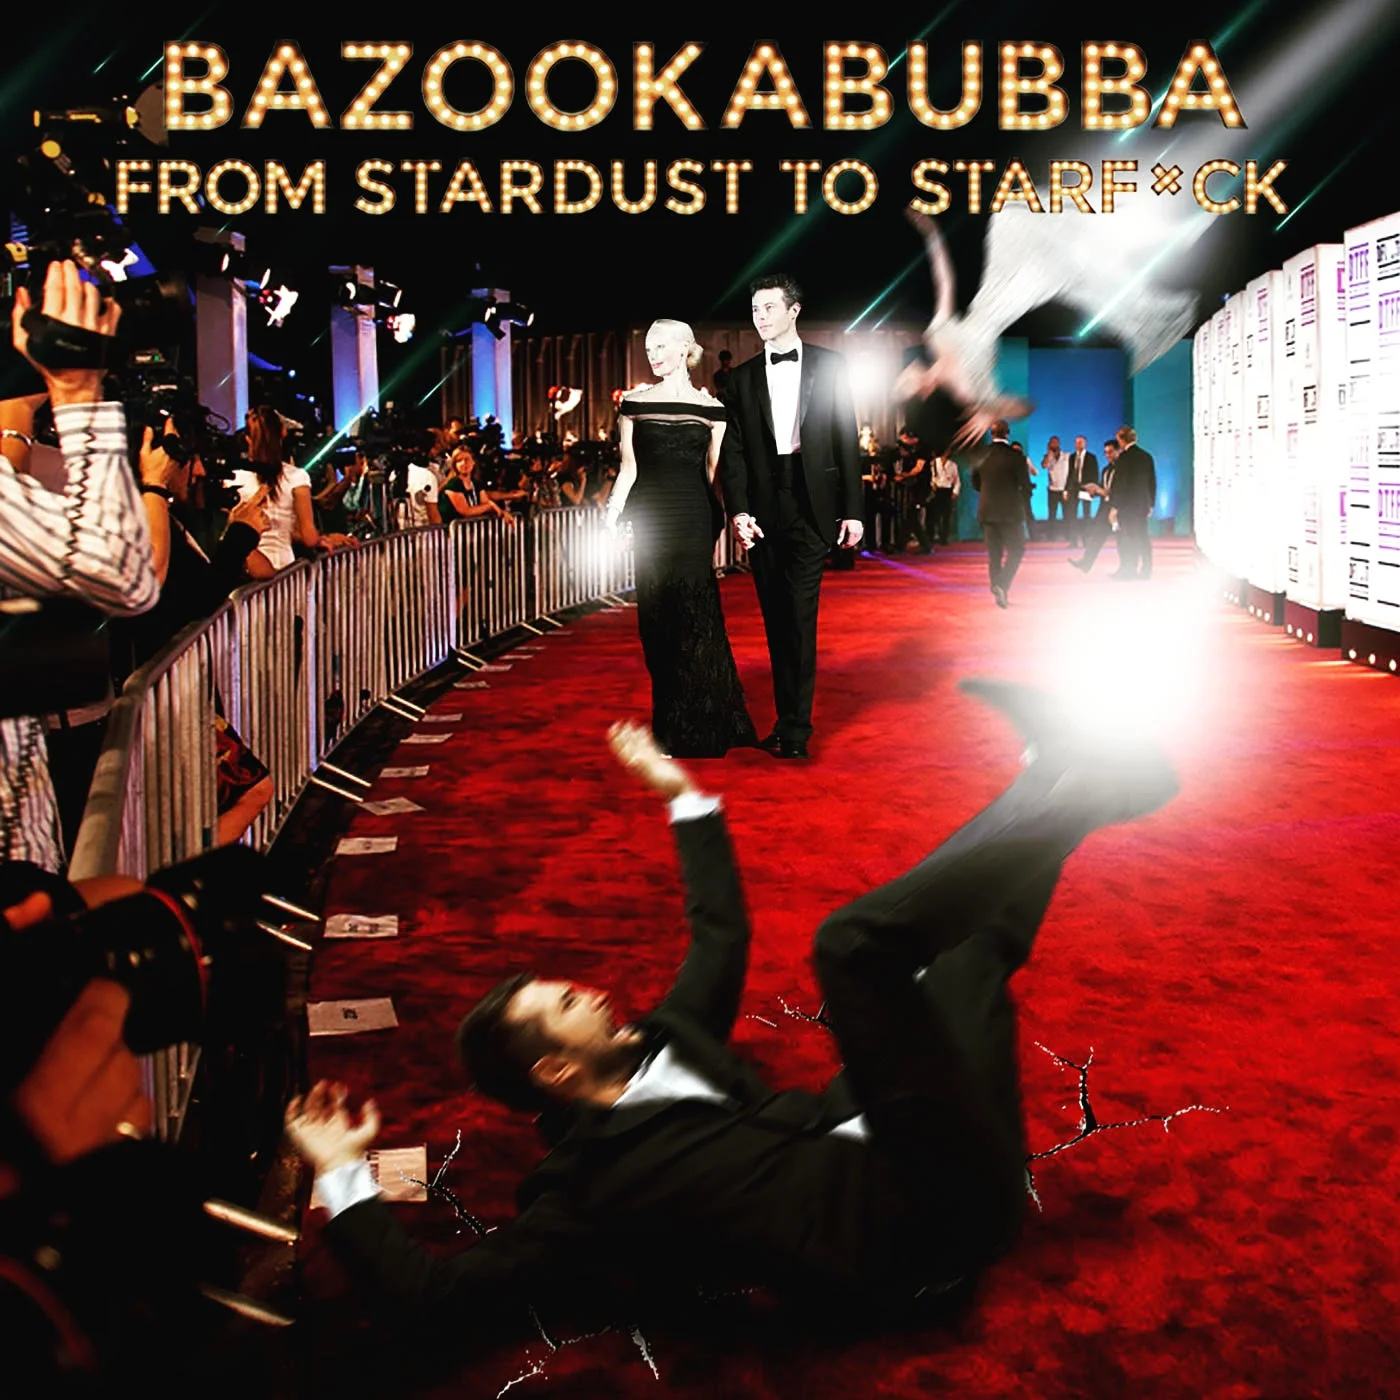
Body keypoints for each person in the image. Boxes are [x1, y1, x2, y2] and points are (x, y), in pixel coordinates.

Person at [287, 692, 1178, 1340]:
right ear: (553, 1071)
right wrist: (339, 1172)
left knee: (969, 953)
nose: (591, 993)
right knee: (852, 948)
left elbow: (718, 934)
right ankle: (1081, 790)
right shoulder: (586, 1193)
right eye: (566, 1004)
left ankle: (1055, 776)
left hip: (928, 1136)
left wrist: (680, 795)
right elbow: (429, 1301)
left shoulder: (666, 1039)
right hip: (916, 1232)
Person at [718, 276, 864, 761]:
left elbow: (846, 438)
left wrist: (853, 511)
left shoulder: (831, 365)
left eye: (768, 308)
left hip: (812, 505)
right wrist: (739, 510)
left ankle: (796, 730)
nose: (759, 317)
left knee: (800, 618)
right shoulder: (740, 378)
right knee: (775, 621)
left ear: (793, 310)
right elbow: (733, 454)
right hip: (763, 509)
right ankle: (785, 723)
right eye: (754, 310)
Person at [606, 319, 758, 758]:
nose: (653, 354)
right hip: (649, 519)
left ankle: (690, 729)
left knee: (694, 616)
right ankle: (673, 719)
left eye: (661, 346)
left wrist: (732, 518)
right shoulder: (634, 403)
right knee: (656, 622)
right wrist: (612, 512)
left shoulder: (711, 408)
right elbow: (629, 468)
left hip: (693, 518)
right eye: (649, 348)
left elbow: (714, 474)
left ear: (685, 348)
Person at [232, 407, 357, 575]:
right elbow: (308, 537)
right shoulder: (296, 477)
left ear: (247, 439)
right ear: (283, 434)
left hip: (248, 571)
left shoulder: (234, 478)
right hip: (285, 572)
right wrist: (323, 539)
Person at [973, 421, 1032, 609]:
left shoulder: (981, 455)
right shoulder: (1017, 457)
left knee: (994, 555)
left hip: (987, 511)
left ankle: (997, 588)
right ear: (1007, 433)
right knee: (1017, 550)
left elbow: (975, 483)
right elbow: (1025, 485)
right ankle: (1002, 585)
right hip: (1010, 513)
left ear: (992, 434)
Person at [1107, 426, 1156, 581]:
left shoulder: (1123, 459)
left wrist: (1115, 506)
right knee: (1143, 537)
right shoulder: (1146, 456)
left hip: (1127, 506)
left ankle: (1128, 570)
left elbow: (1120, 484)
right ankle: (1146, 570)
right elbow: (1152, 482)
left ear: (1122, 440)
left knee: (1127, 538)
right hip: (1142, 504)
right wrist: (1151, 504)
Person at [1069, 439, 1120, 575]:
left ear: (1118, 451)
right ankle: (1086, 563)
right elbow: (1104, 488)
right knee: (1096, 535)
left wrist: (1101, 491)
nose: (1108, 455)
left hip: (1118, 508)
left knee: (1123, 539)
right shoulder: (1106, 470)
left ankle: (1127, 568)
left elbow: (1119, 490)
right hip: (1105, 508)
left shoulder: (1123, 469)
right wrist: (1094, 491)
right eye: (1105, 453)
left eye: (1110, 452)